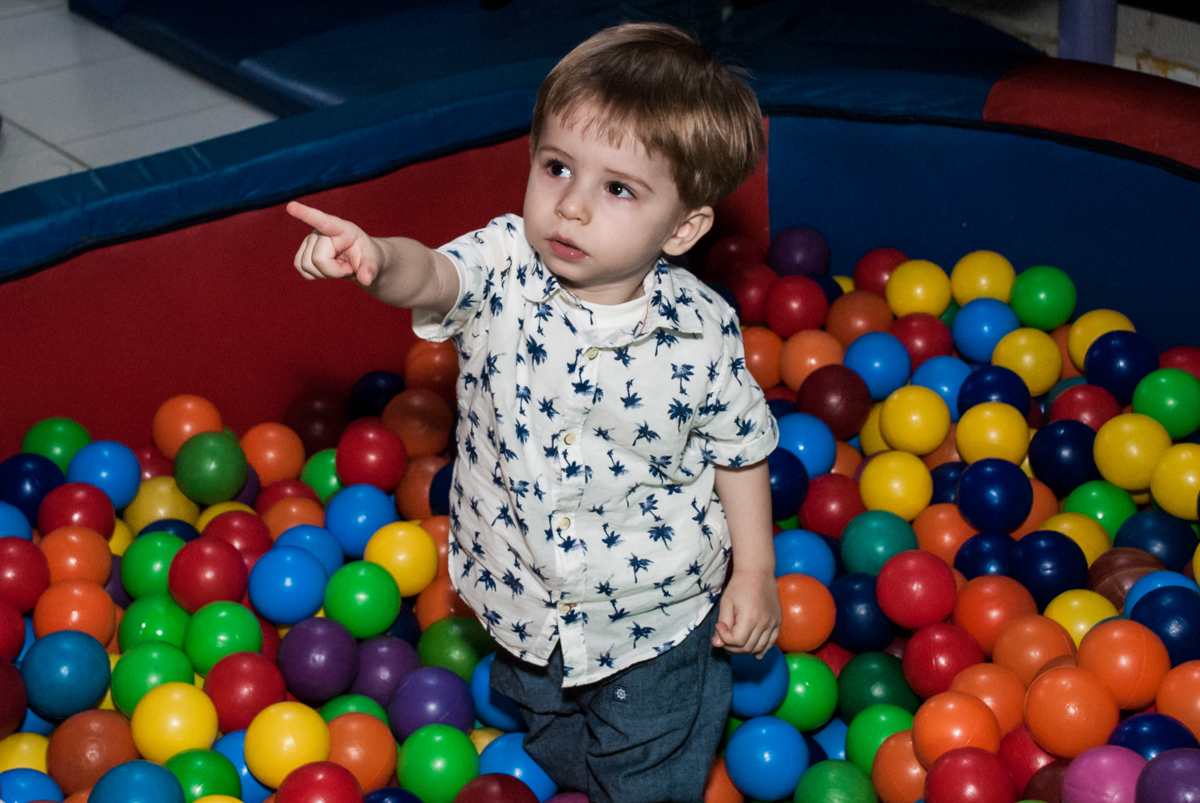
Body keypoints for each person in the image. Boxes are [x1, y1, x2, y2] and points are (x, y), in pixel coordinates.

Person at [289, 22, 780, 803]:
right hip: (520, 592)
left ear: (683, 227)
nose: (572, 208)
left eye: (618, 188)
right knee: (547, 727)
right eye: (556, 167)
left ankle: (671, 746)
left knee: (649, 768)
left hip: (655, 615)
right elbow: (434, 276)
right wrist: (378, 258)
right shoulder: (504, 265)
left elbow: (740, 449)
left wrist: (754, 572)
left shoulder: (701, 329)